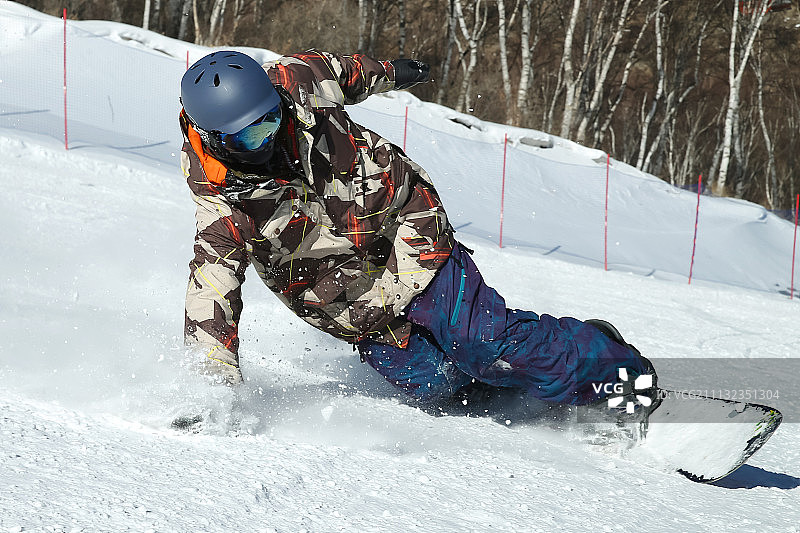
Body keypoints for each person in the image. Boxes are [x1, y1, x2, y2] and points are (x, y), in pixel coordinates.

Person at [178, 49, 657, 412]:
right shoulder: (223, 209)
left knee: (482, 342)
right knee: (442, 387)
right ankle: (535, 392)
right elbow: (211, 294)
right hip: (353, 303)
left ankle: (619, 377)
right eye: (251, 134)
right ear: (217, 139)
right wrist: (212, 392)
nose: (270, 135)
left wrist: (393, 71)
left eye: (272, 119)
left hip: (407, 233)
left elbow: (347, 73)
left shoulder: (291, 82)